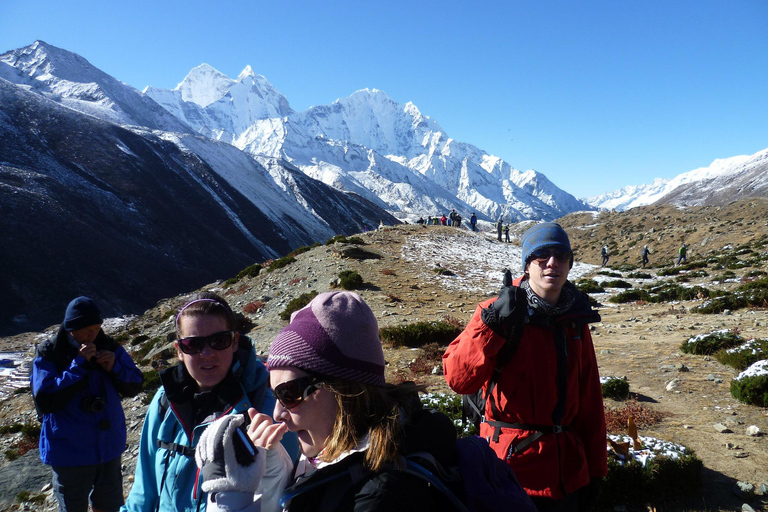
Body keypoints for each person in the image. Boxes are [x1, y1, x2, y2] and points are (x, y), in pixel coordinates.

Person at [197, 291, 459, 512]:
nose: (277, 414)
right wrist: (273, 478)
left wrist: (229, 502)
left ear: (343, 389)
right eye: (273, 393)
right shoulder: (346, 464)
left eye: (289, 394)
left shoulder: (378, 497)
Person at [443, 222, 607, 511]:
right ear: (527, 265)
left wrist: (596, 471)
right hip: (510, 472)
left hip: (568, 475)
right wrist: (491, 323)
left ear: (570, 264)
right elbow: (458, 379)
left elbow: (590, 402)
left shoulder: (576, 321)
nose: (552, 263)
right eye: (542, 256)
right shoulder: (497, 313)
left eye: (561, 256)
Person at [122, 292, 294, 512]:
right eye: (193, 344)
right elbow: (143, 493)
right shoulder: (165, 401)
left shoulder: (265, 405)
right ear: (180, 351)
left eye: (219, 341)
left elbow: (285, 494)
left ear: (234, 342)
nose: (206, 353)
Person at [32, 296, 144, 512]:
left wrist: (115, 367)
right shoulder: (50, 352)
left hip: (108, 449)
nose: (93, 334)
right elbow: (45, 399)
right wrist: (78, 365)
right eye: (86, 329)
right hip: (69, 453)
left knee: (111, 506)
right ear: (71, 328)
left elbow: (136, 383)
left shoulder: (109, 347)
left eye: (96, 327)